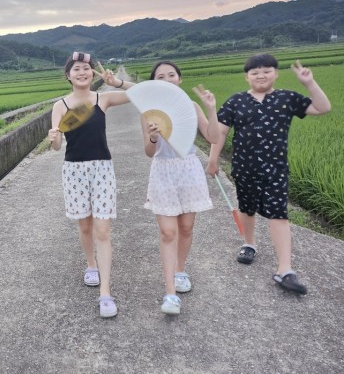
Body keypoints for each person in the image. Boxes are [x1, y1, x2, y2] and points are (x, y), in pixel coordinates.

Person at [207, 54, 331, 295]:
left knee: (279, 214)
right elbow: (220, 132)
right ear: (247, 77)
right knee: (247, 209)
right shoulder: (236, 101)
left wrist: (309, 83)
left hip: (276, 170)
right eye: (254, 72)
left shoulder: (287, 98)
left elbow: (323, 108)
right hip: (244, 168)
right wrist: (213, 160)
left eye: (266, 71)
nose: (260, 75)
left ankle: (285, 269)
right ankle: (249, 244)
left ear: (276, 73)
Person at [48, 52, 134, 318]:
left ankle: (105, 293)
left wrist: (117, 83)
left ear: (92, 73)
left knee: (103, 230)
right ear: (68, 75)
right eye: (76, 69)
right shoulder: (61, 105)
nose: (82, 72)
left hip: (102, 169)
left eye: (86, 68)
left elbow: (140, 94)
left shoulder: (102, 99)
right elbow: (57, 145)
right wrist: (54, 137)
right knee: (84, 226)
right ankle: (91, 264)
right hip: (74, 170)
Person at [141, 61, 219, 315]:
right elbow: (149, 152)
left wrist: (211, 109)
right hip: (163, 171)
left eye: (171, 75)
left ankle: (180, 270)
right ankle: (170, 293)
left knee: (186, 227)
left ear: (179, 79)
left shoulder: (191, 106)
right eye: (160, 77)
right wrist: (153, 137)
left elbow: (212, 136)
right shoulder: (149, 112)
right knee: (167, 232)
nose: (167, 79)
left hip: (188, 169)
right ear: (154, 83)